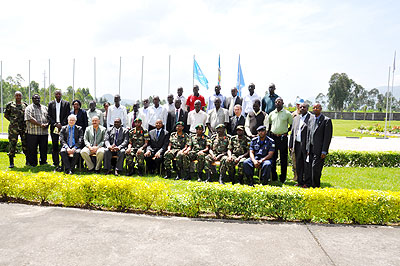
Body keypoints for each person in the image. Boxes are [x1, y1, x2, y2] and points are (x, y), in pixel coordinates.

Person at [267, 97, 293, 183]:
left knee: (283, 158)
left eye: (279, 102)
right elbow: (269, 125)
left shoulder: (287, 113)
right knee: (273, 158)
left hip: (283, 138)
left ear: (283, 103)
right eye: (276, 102)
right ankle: (274, 176)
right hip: (273, 138)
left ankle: (283, 177)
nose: (278, 103)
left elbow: (291, 125)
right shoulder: (271, 114)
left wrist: (286, 132)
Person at [306, 103, 333, 188]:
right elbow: (308, 134)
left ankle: (316, 186)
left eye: (317, 108)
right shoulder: (310, 120)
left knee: (316, 169)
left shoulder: (326, 121)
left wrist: (324, 150)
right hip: (311, 148)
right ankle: (310, 184)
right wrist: (307, 148)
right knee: (310, 168)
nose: (315, 109)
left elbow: (327, 137)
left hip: (320, 149)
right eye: (314, 108)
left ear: (321, 109)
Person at [289, 103, 311, 187]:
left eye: (304, 107)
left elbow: (311, 134)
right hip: (297, 144)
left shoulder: (311, 118)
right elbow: (292, 132)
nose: (302, 108)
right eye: (300, 107)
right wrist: (291, 144)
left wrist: (309, 147)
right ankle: (300, 181)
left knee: (306, 164)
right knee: (298, 163)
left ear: (307, 109)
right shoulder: (296, 118)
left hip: (305, 144)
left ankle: (307, 182)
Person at [48, 90, 70, 170]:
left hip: (63, 127)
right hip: (54, 127)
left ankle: (64, 162)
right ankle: (55, 162)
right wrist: (55, 124)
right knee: (55, 145)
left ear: (61, 95)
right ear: (54, 95)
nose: (58, 95)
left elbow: (68, 114)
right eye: (56, 94)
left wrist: (62, 124)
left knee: (64, 145)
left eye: (59, 94)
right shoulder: (51, 104)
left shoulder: (66, 103)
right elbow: (49, 116)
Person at [24, 94, 49, 167]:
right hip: (33, 132)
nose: (37, 100)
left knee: (44, 148)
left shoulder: (45, 108)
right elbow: (30, 118)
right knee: (32, 148)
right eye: (35, 98)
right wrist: (40, 124)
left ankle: (43, 162)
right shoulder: (29, 108)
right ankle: (33, 163)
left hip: (43, 132)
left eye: (38, 98)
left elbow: (49, 117)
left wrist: (47, 124)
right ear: (32, 99)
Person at [5, 91, 28, 168]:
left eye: (19, 96)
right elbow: (6, 115)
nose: (18, 97)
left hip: (23, 128)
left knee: (25, 144)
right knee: (12, 144)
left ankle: (27, 161)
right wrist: (13, 121)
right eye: (17, 96)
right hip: (13, 129)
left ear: (21, 97)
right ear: (14, 96)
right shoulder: (10, 105)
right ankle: (11, 162)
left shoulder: (25, 105)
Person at [290, 98, 305, 181]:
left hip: (302, 141)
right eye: (298, 104)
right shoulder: (293, 115)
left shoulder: (307, 115)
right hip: (295, 140)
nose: (299, 106)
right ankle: (295, 175)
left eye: (301, 104)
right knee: (294, 159)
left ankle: (302, 176)